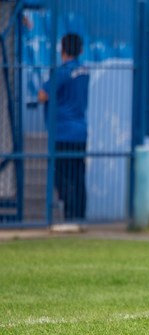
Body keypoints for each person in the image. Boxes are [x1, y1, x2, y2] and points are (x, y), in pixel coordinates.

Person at [38, 33, 90, 221]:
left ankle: (69, 217)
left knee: (63, 177)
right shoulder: (84, 71)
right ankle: (79, 216)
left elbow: (43, 95)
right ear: (81, 50)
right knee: (78, 176)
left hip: (62, 133)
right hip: (80, 132)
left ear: (63, 50)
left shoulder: (61, 72)